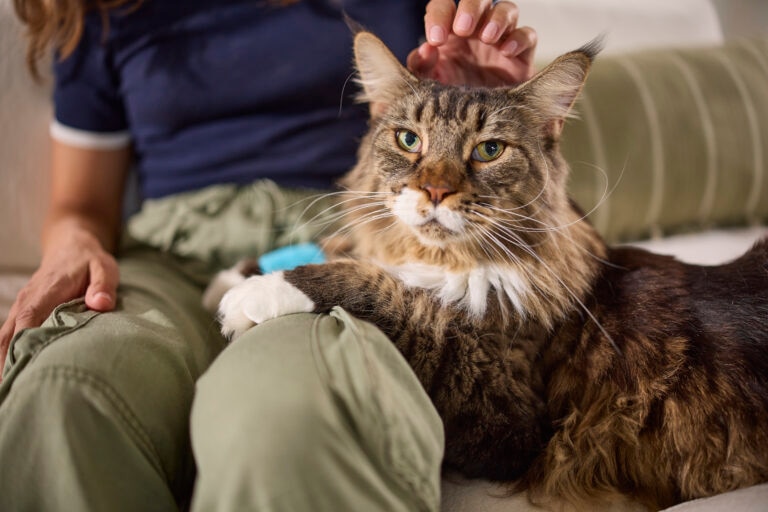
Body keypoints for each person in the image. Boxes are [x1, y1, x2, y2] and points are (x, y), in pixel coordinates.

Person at [0, 1, 536, 510]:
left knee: (286, 419)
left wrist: (480, 103)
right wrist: (72, 244)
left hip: (337, 242)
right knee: (64, 395)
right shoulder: (98, 13)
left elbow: (442, 134)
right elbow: (81, 204)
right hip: (171, 250)